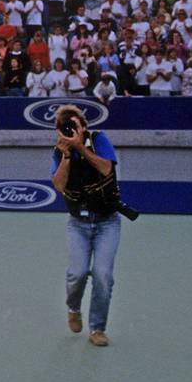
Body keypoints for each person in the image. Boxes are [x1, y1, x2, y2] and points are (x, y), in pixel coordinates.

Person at [51, 105, 124, 347]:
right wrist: (68, 155)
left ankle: (97, 329)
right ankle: (73, 308)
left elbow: (106, 169)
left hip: (107, 222)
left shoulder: (99, 140)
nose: (71, 131)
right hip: (78, 224)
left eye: (75, 126)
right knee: (77, 273)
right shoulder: (59, 152)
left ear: (84, 126)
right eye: (65, 128)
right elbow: (60, 186)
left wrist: (81, 146)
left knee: (103, 276)